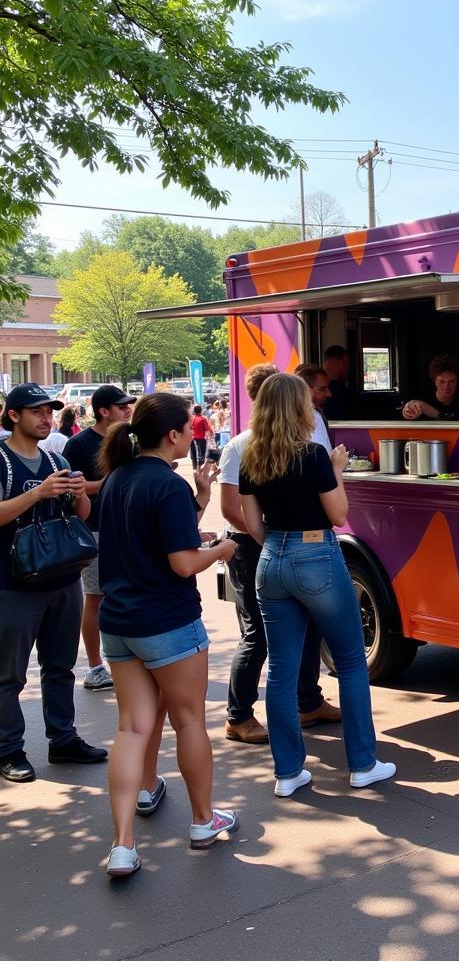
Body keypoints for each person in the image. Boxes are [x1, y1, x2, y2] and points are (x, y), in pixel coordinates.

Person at [97, 392, 240, 878]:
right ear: (175, 434)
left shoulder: (117, 478)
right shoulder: (166, 484)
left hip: (119, 625)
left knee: (131, 729)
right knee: (189, 721)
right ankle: (203, 821)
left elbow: (158, 540)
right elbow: (182, 562)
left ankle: (122, 845)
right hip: (168, 623)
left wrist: (199, 499)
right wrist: (220, 551)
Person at [239, 373, 395, 796]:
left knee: (282, 671)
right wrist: (338, 471)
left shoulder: (252, 456)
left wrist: (278, 544)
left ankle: (287, 773)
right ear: (298, 408)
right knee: (349, 661)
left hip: (271, 559)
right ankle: (363, 764)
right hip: (316, 556)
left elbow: (252, 525)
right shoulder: (313, 455)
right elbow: (340, 514)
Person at [220, 364, 339, 746]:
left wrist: (273, 540)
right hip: (259, 551)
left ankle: (307, 703)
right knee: (258, 637)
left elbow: (251, 514)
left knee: (304, 634)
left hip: (272, 548)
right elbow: (229, 508)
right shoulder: (241, 446)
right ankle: (238, 715)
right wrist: (276, 540)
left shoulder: (261, 449)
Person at [0, 383, 108, 784]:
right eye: (37, 412)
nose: (47, 418)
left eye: (49, 412)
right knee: (9, 675)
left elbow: (80, 514)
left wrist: (80, 494)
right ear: (14, 415)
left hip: (62, 578)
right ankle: (9, 750)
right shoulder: (2, 461)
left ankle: (63, 739)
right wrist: (39, 493)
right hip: (12, 583)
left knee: (60, 667)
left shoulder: (56, 457)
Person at [63, 384, 137, 692]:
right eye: (122, 406)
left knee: (127, 590)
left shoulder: (130, 440)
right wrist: (109, 481)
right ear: (104, 411)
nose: (128, 410)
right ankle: (95, 667)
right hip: (92, 530)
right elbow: (70, 488)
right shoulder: (79, 445)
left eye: (129, 405)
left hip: (127, 526)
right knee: (94, 596)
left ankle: (128, 658)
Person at [402, 354, 459, 421]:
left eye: (451, 381)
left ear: (457, 381)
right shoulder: (424, 398)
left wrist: (432, 411)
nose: (446, 387)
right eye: (442, 381)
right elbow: (409, 409)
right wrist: (409, 411)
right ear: (434, 381)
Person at [295, 364, 333, 452]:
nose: (329, 394)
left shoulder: (318, 413)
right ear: (306, 390)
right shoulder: (313, 417)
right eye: (322, 389)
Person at [322, 345, 355, 421]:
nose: (348, 368)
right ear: (339, 364)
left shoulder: (315, 388)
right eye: (346, 364)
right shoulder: (341, 391)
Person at [189, 404, 212, 468]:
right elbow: (207, 428)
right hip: (201, 439)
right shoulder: (203, 419)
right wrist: (212, 435)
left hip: (192, 439)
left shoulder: (192, 418)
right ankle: (200, 468)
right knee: (201, 455)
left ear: (194, 411)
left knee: (193, 455)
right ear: (201, 411)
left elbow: (189, 428)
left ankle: (195, 468)